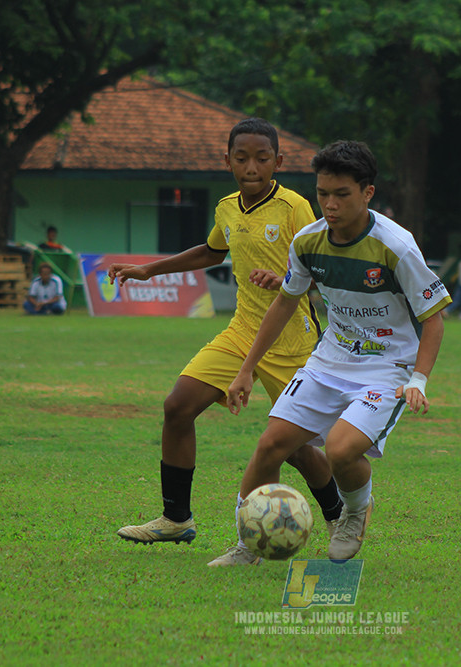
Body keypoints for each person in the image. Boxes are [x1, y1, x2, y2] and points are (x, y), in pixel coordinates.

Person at [107, 118, 344, 556]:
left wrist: (287, 280)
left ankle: (339, 518)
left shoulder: (295, 208)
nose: (251, 167)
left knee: (294, 449)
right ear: (228, 161)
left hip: (294, 344)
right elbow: (213, 250)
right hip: (240, 333)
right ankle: (176, 519)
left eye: (261, 158)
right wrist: (148, 268)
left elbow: (326, 270)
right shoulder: (227, 207)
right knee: (177, 406)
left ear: (278, 161)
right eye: (241, 158)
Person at [215, 140, 451, 565]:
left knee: (341, 451)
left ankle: (355, 510)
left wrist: (418, 379)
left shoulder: (395, 245)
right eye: (323, 193)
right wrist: (246, 370)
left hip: (386, 367)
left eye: (341, 194)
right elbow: (286, 302)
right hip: (328, 361)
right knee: (271, 445)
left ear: (367, 193)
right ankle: (248, 543)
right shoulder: (307, 241)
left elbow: (433, 317)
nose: (330, 204)